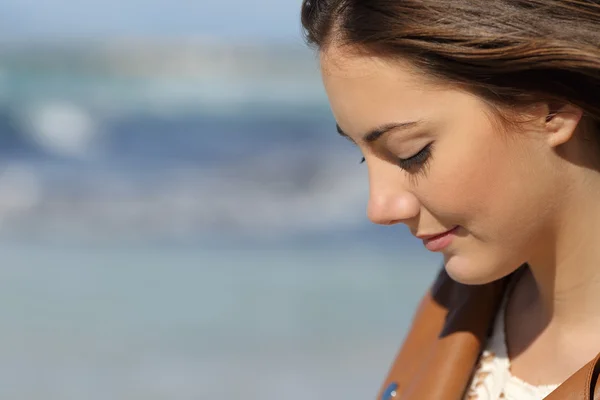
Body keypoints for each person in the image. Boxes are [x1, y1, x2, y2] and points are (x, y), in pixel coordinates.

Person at [300, 1, 600, 399]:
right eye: (362, 154)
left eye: (412, 152)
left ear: (551, 106)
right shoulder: (450, 312)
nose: (380, 208)